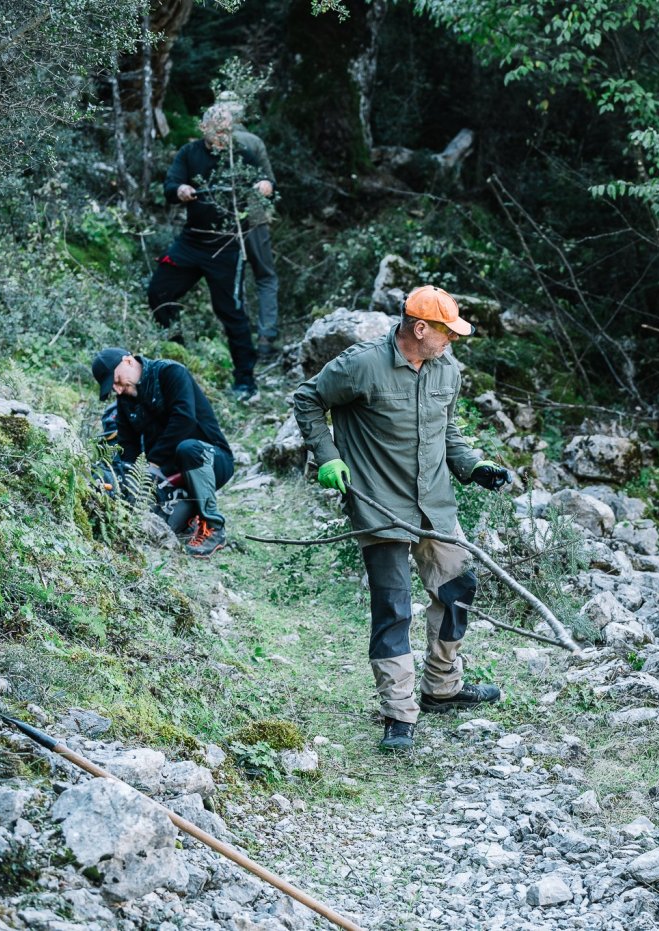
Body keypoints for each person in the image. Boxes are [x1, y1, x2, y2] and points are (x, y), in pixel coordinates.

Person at [292, 286, 514, 751]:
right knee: (393, 609)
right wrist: (328, 456)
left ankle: (442, 688)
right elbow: (309, 399)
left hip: (435, 504)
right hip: (380, 506)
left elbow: (447, 431)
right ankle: (398, 714)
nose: (452, 341)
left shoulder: (446, 368)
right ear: (420, 328)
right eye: (446, 333)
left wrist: (473, 466)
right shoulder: (363, 364)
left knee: (459, 591)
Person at [148, 105, 273, 401]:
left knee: (231, 312)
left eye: (227, 131)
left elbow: (268, 182)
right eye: (217, 131)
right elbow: (169, 186)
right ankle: (178, 351)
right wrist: (180, 190)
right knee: (159, 292)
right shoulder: (189, 153)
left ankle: (246, 382)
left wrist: (265, 186)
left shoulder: (241, 154)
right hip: (192, 241)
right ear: (204, 129)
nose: (222, 137)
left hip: (226, 245)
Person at [91, 347, 235, 558]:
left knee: (188, 449)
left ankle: (213, 527)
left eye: (117, 380)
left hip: (211, 460)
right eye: (112, 387)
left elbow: (184, 419)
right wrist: (132, 477)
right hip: (168, 472)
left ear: (128, 362)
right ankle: (190, 511)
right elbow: (128, 445)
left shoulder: (170, 373)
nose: (118, 390)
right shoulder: (125, 401)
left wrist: (153, 464)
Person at [214, 90, 281, 364]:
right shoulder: (253, 141)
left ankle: (233, 336)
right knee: (265, 276)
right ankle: (266, 339)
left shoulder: (211, 142)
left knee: (230, 279)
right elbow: (270, 185)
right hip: (254, 218)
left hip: (222, 219)